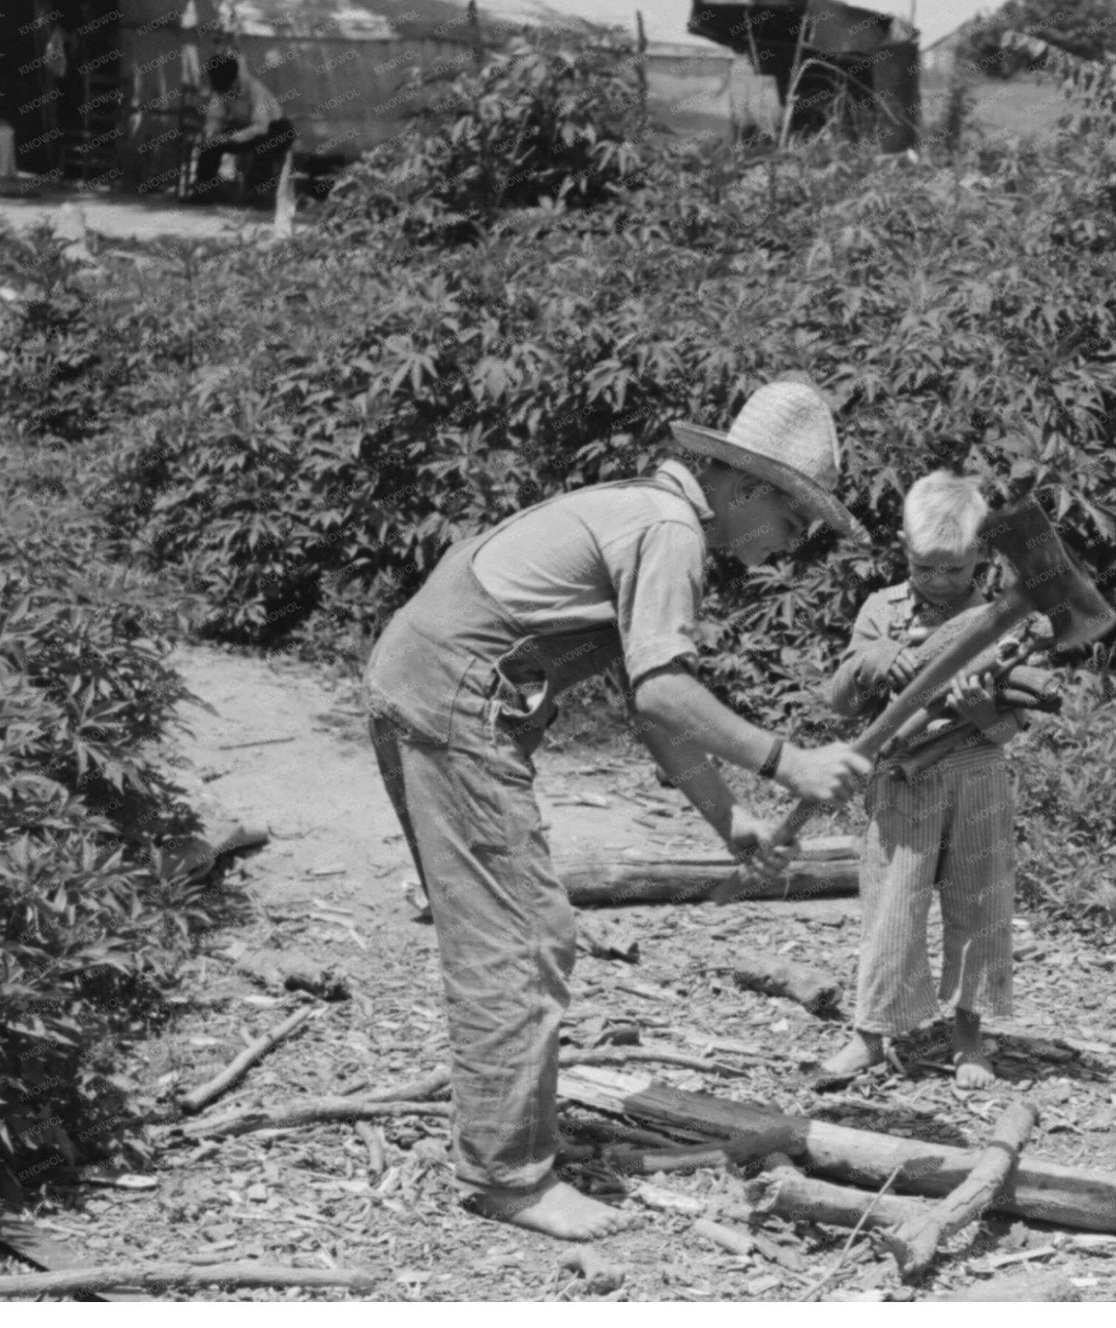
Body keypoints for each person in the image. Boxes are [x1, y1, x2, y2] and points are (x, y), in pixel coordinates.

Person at [364, 380, 873, 1241]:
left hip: (416, 681)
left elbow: (649, 707)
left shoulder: (646, 509)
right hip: (455, 700)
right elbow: (670, 691)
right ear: (748, 492)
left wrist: (728, 816)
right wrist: (787, 762)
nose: (788, 549)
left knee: (505, 929)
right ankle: (509, 1174)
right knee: (523, 935)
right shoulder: (670, 530)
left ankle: (502, 1137)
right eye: (792, 525)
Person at [817, 472, 1048, 1091]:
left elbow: (1009, 732)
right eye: (926, 569)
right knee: (892, 905)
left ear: (982, 557)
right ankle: (871, 1033)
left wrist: (980, 715)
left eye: (956, 570)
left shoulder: (1002, 622)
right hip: (902, 779)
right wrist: (871, 660)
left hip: (976, 777)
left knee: (980, 906)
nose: (941, 582)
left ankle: (969, 1035)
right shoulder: (881, 612)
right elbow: (837, 702)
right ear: (903, 550)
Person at [190, 52, 295, 200]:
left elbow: (261, 127)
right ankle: (204, 191)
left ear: (235, 79)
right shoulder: (220, 88)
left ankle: (257, 192)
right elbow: (215, 118)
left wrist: (230, 138)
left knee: (265, 143)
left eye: (228, 88)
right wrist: (212, 136)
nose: (226, 92)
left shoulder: (254, 89)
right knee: (210, 146)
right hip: (246, 127)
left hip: (276, 128)